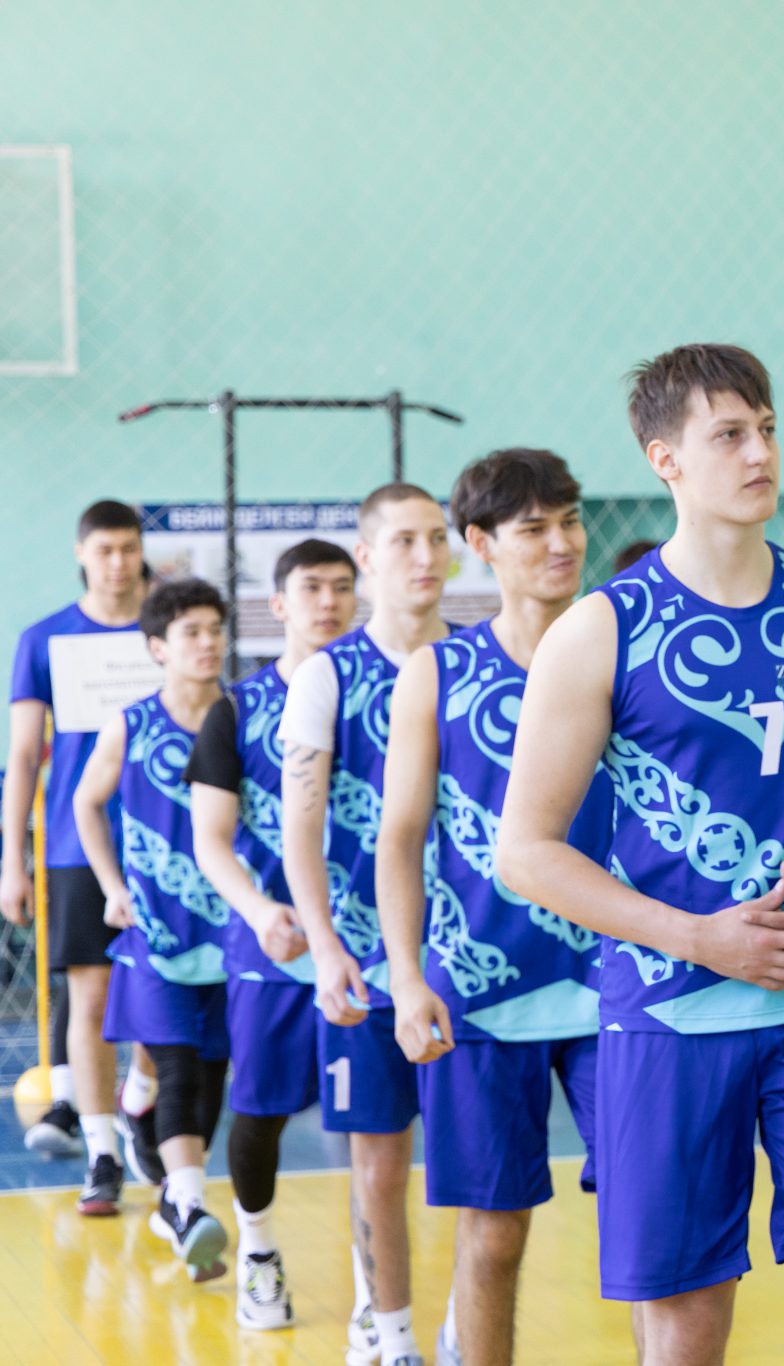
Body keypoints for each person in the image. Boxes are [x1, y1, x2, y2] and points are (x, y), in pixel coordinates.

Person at [498, 345, 784, 1365]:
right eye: (729, 434)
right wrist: (698, 937)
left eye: (766, 429)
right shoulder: (600, 631)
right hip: (666, 1020)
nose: (760, 452)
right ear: (665, 459)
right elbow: (526, 852)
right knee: (686, 1333)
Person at [381, 450, 609, 1366]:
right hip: (477, 994)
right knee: (494, 1234)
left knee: (647, 1221)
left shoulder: (627, 652)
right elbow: (401, 838)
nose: (562, 544)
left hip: (619, 986)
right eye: (533, 529)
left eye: (571, 521)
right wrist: (405, 980)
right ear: (480, 544)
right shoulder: (437, 674)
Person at [280, 484, 450, 1366]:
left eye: (438, 538)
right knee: (379, 1162)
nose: (426, 556)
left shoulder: (477, 661)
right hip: (367, 962)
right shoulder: (329, 674)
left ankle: (465, 1327)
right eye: (405, 541)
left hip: (466, 957)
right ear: (369, 557)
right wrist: (326, 947)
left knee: (477, 1174)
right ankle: (390, 1334)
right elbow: (299, 828)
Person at [187, 537, 359, 1329]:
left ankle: (375, 1286)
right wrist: (261, 912)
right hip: (277, 952)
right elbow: (210, 840)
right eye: (312, 588)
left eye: (341, 587)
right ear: (280, 604)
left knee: (376, 1122)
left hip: (370, 946)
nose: (329, 602)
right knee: (259, 1110)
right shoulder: (236, 710)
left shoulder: (388, 692)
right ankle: (257, 1250)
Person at [72, 578, 231, 1275]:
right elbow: (85, 803)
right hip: (156, 930)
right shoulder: (130, 726)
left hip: (230, 930)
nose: (208, 643)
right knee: (179, 1063)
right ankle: (187, 1205)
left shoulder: (242, 719)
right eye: (191, 632)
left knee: (211, 1070)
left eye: (215, 629)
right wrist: (113, 887)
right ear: (158, 647)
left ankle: (142, 1117)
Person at [3, 500, 163, 1185]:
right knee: (90, 1000)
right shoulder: (45, 640)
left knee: (163, 996)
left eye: (128, 548)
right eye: (104, 550)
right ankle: (101, 1151)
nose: (118, 563)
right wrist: (13, 861)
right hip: (75, 848)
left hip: (165, 846)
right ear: (81, 554)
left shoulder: (167, 631)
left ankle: (140, 1102)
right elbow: (23, 756)